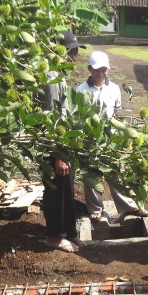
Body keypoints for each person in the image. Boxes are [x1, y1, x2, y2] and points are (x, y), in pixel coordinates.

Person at [77, 50, 147, 221]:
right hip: (89, 138)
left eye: (104, 69)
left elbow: (116, 113)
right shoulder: (80, 90)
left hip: (111, 138)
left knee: (115, 171)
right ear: (89, 69)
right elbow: (77, 117)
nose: (100, 73)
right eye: (96, 70)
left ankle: (128, 207)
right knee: (91, 174)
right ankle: (95, 208)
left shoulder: (114, 89)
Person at [40, 30, 81, 253]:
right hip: (54, 145)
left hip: (63, 144)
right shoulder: (51, 77)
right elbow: (52, 118)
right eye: (71, 51)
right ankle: (54, 235)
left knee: (66, 188)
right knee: (55, 189)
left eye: (75, 51)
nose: (74, 57)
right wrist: (58, 155)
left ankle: (69, 231)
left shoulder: (59, 74)